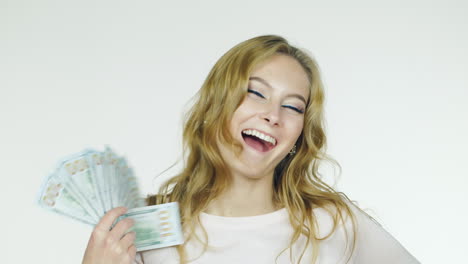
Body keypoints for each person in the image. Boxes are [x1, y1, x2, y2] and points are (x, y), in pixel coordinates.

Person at [82, 35, 420, 264]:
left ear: (300, 135)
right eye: (256, 93)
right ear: (216, 104)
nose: (272, 115)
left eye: (293, 107)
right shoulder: (149, 227)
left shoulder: (333, 223)